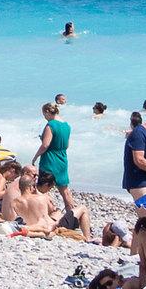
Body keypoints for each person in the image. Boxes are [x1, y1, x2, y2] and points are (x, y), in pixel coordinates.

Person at [30, 100, 85, 234]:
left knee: (43, 189)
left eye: (44, 114)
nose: (44, 117)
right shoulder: (67, 125)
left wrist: (35, 157)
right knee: (65, 191)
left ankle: (41, 216)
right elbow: (66, 145)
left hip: (50, 159)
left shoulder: (50, 125)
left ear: (48, 112)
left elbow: (45, 145)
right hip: (62, 158)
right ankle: (73, 217)